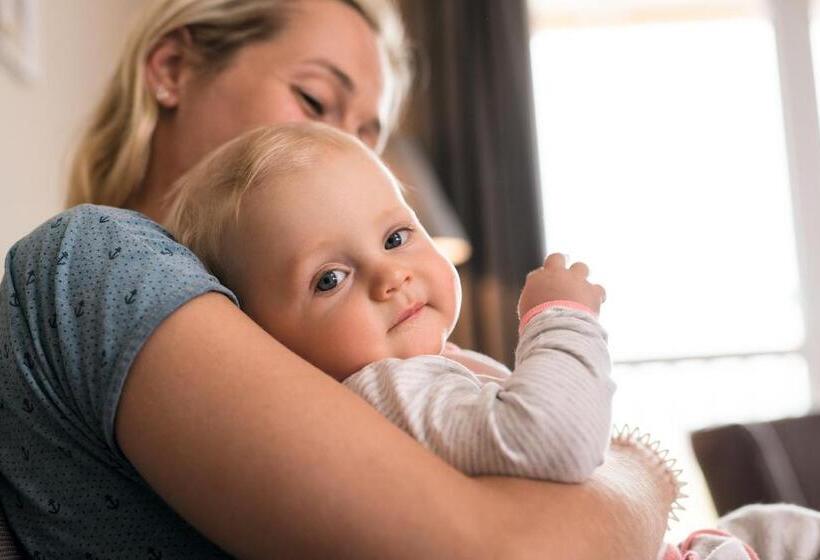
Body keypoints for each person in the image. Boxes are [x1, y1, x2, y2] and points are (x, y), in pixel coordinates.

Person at [0, 0, 677, 558]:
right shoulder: (102, 258)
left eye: (367, 136)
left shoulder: (290, 340)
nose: (343, 154)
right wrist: (642, 469)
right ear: (173, 68)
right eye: (315, 98)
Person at [164, 123, 615, 483]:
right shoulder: (386, 390)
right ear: (265, 340)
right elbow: (555, 440)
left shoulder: (429, 368)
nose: (390, 276)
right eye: (330, 279)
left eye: (396, 238)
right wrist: (560, 319)